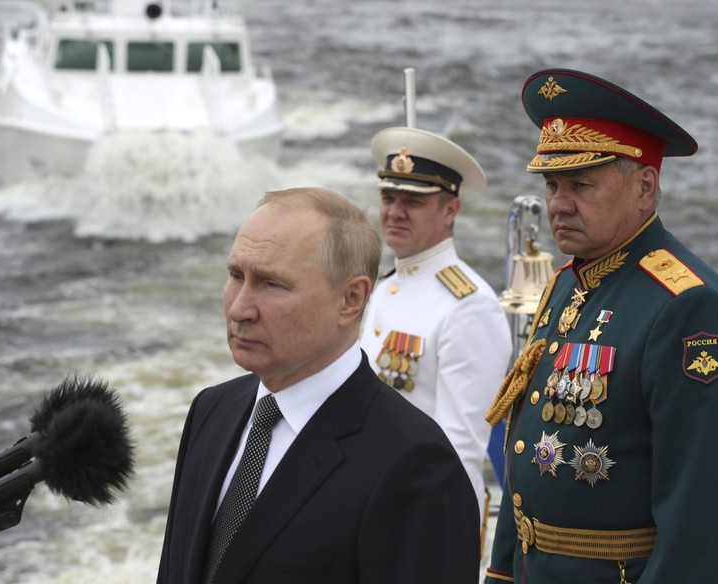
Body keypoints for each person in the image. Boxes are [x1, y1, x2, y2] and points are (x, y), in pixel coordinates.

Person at [483, 68, 718, 583]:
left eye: (581, 184)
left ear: (646, 187)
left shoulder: (688, 307)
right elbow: (524, 447)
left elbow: (698, 517)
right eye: (552, 184)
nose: (558, 203)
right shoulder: (568, 281)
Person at [157, 187, 481, 584]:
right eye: (236, 276)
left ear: (351, 299)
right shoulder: (212, 411)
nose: (240, 308)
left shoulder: (415, 465)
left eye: (272, 284)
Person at [361, 127, 513, 523]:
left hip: (414, 514)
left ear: (450, 211)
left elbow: (459, 450)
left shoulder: (468, 305)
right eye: (388, 197)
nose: (394, 212)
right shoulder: (384, 287)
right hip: (364, 499)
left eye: (412, 202)